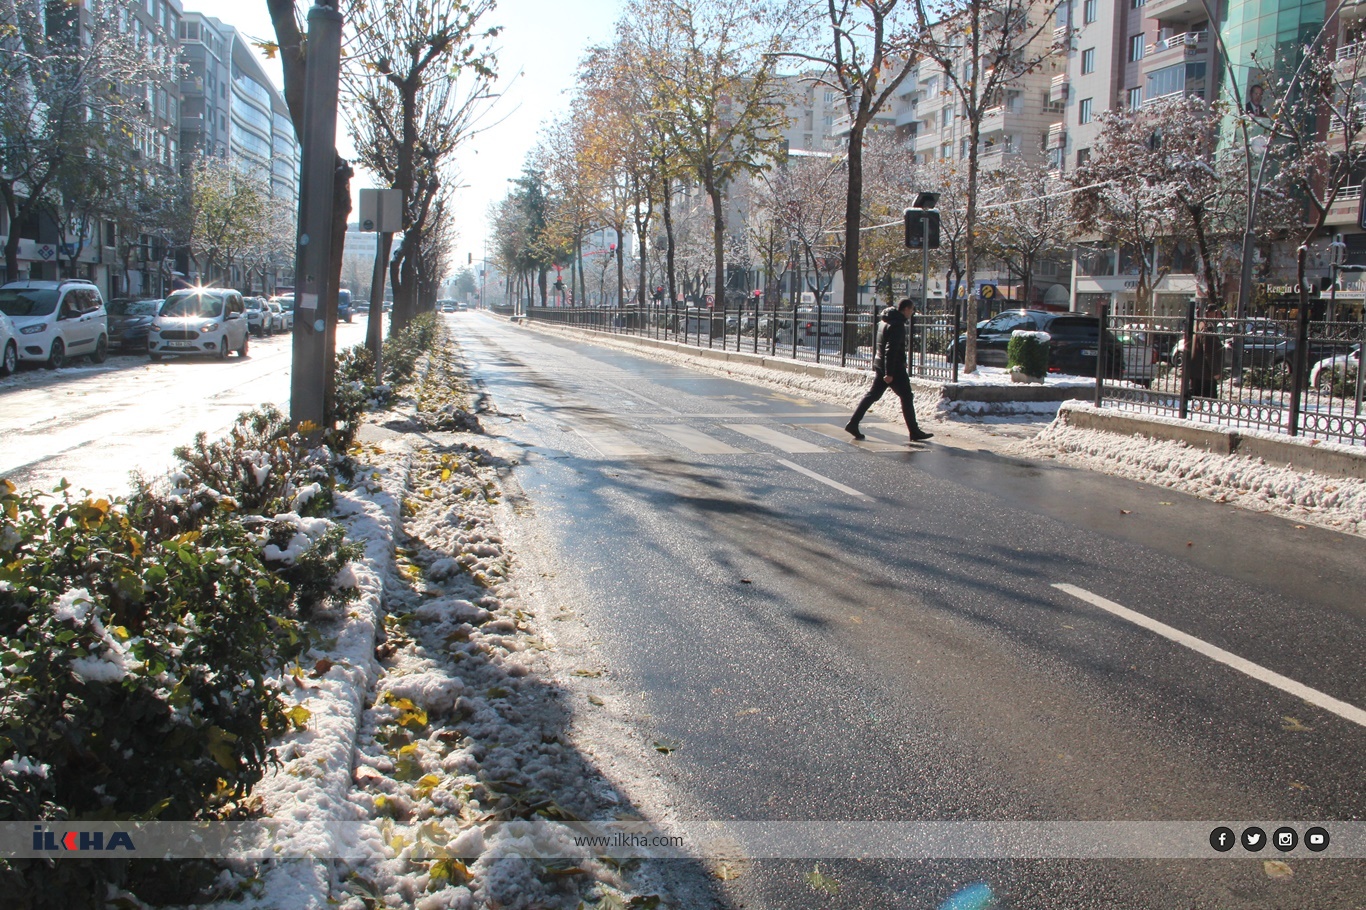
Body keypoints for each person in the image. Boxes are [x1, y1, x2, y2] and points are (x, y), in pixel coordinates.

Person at [846, 298, 934, 443]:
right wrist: (889, 373)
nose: (912, 313)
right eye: (911, 310)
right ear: (905, 309)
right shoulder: (897, 324)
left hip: (882, 363)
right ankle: (914, 431)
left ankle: (853, 423)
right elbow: (890, 349)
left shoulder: (884, 321)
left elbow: (887, 346)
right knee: (906, 396)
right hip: (893, 367)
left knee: (872, 395)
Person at [1186, 304, 1225, 399]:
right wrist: (1216, 372)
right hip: (1205, 374)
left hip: (1197, 372)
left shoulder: (1199, 325)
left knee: (1197, 402)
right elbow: (1209, 352)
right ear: (1209, 313)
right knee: (1207, 404)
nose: (1220, 316)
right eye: (1217, 313)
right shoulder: (1208, 328)